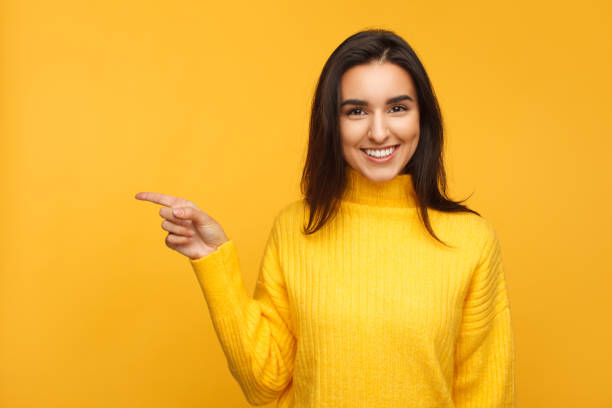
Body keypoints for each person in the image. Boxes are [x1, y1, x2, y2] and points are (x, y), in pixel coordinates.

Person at [135, 28, 516, 408]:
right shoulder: (295, 228)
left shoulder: (471, 239)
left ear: (423, 118)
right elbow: (264, 384)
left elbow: (487, 393)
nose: (379, 132)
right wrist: (211, 258)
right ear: (331, 123)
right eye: (357, 111)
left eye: (397, 108)